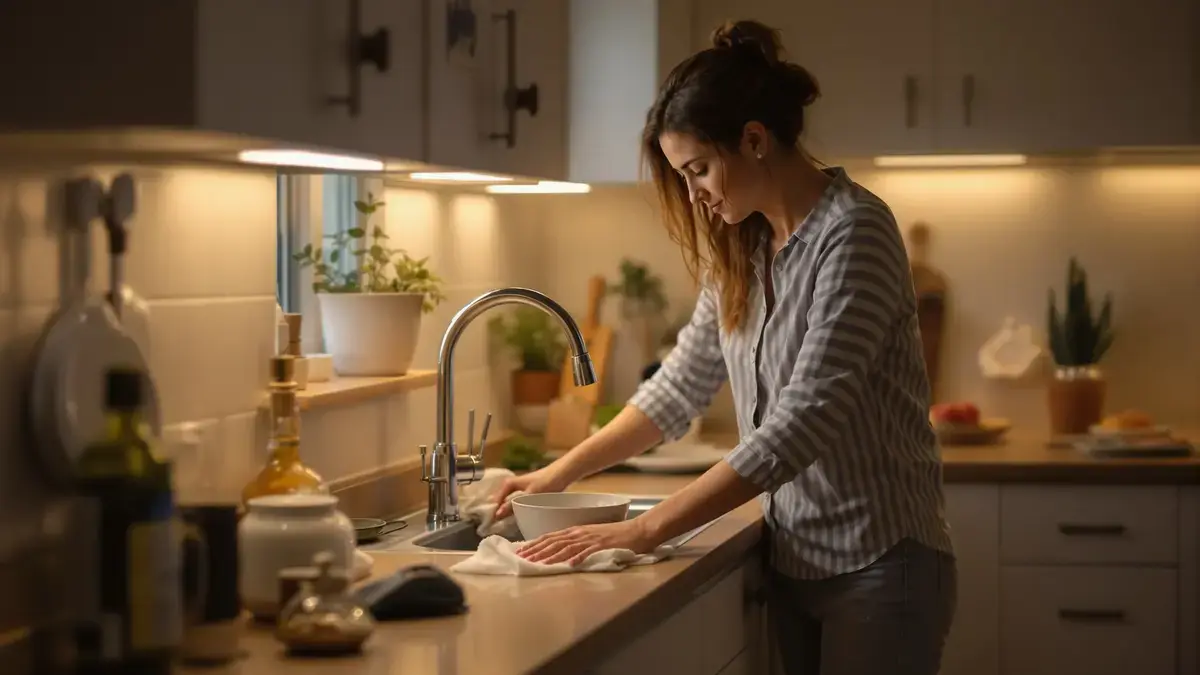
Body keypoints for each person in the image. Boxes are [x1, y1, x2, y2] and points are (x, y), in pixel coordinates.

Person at [492, 18, 956, 675]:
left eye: (700, 169)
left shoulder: (855, 233)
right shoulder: (742, 248)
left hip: (881, 562)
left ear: (756, 140)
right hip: (795, 558)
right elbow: (679, 386)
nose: (695, 195)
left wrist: (646, 528)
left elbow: (804, 419)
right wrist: (560, 472)